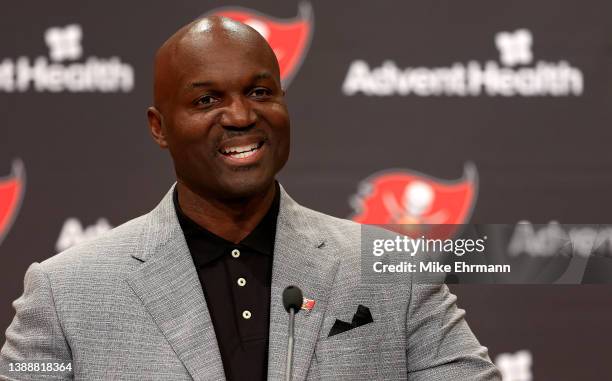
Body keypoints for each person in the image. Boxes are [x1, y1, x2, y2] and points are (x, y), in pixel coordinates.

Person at [0, 16, 500, 380]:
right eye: (206, 100)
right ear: (159, 128)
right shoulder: (67, 290)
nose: (240, 116)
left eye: (260, 92)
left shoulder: (393, 269)